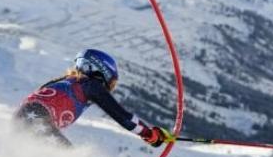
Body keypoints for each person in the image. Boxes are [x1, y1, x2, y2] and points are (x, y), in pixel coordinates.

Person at [14, 48, 172, 148]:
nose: (110, 87)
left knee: (48, 156)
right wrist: (149, 133)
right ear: (102, 72)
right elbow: (122, 116)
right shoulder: (91, 85)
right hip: (37, 120)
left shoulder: (66, 82)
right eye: (112, 82)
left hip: (23, 118)